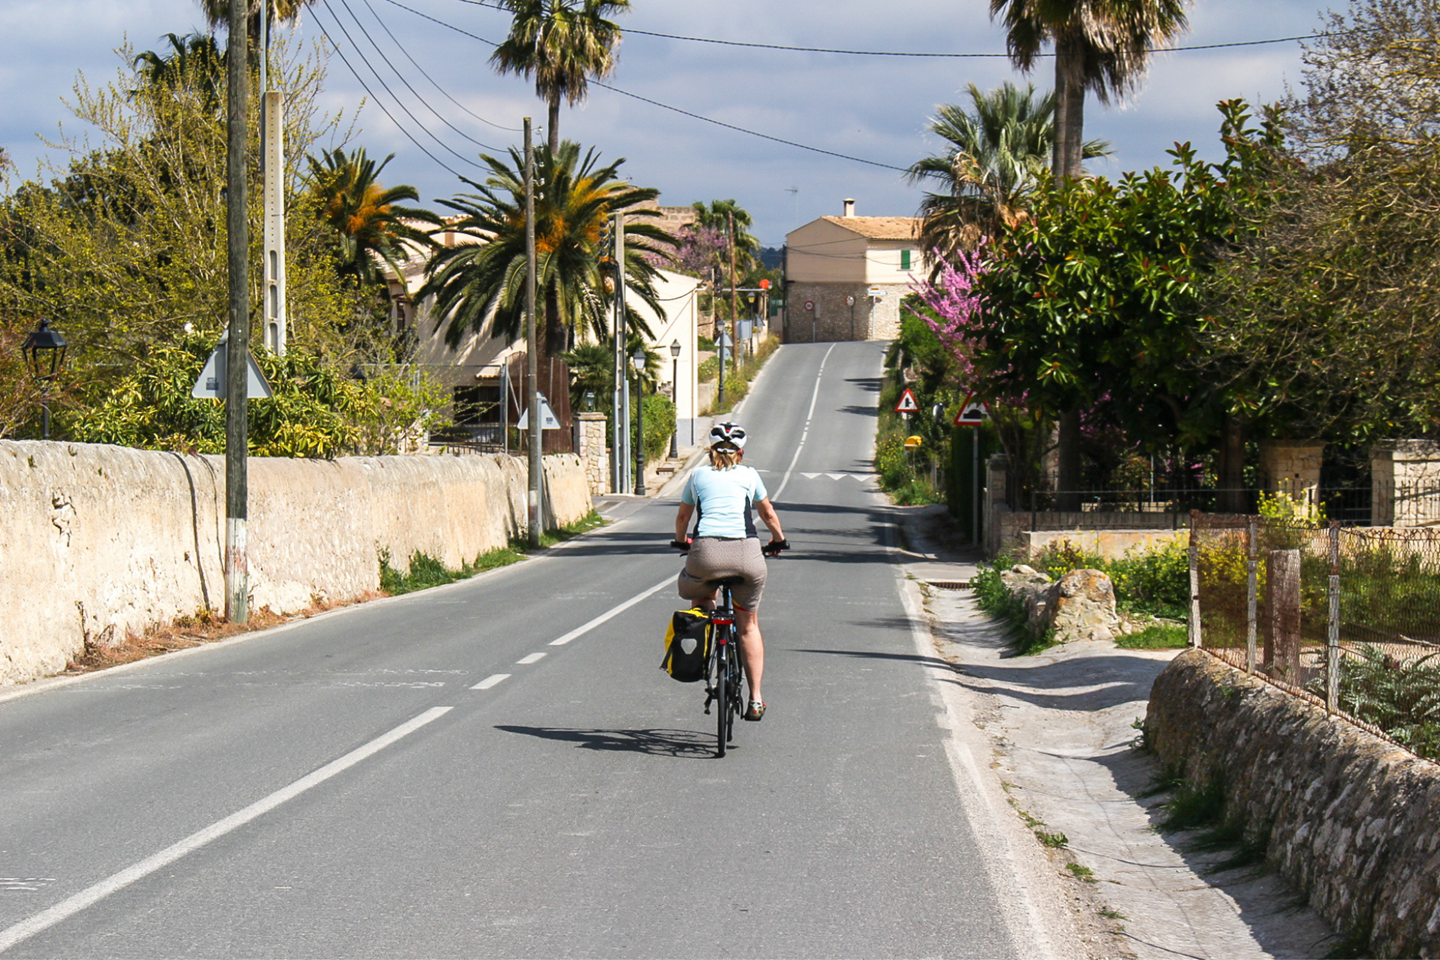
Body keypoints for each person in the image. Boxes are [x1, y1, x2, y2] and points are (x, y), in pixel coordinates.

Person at [673, 421, 787, 722]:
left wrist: (681, 541)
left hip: (706, 554)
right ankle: (756, 699)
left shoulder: (697, 475)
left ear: (710, 451)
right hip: (747, 554)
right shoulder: (749, 475)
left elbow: (683, 517)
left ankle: (706, 625)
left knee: (700, 596)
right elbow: (767, 513)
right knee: (748, 626)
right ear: (741, 453)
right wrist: (779, 540)